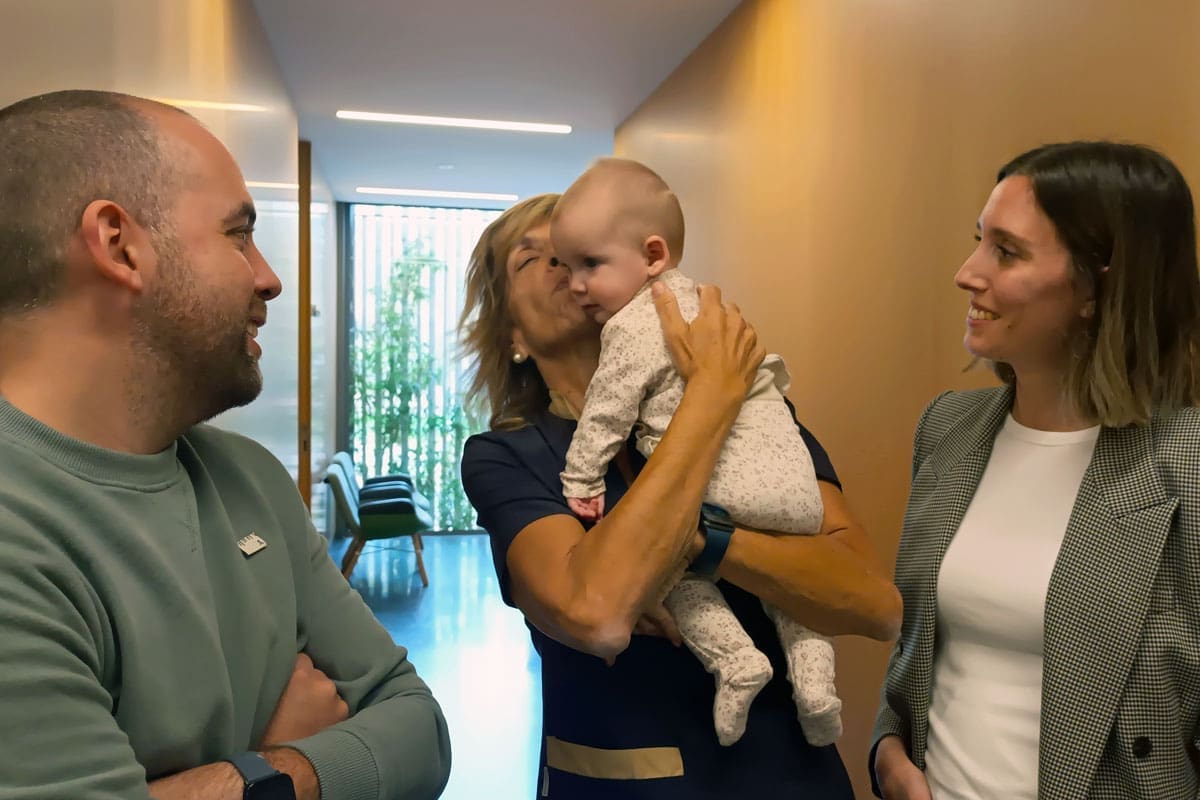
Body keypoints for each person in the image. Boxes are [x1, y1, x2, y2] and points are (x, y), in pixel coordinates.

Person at [0, 90, 451, 800]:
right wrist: (278, 764)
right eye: (239, 234)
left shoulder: (250, 480)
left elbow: (422, 734)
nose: (268, 277)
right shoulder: (16, 534)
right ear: (119, 244)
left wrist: (249, 777)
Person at [459, 192, 901, 799]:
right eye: (536, 259)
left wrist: (694, 542)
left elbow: (873, 603)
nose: (568, 269)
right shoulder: (508, 457)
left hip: (789, 776)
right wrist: (708, 397)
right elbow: (597, 613)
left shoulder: (755, 414)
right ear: (510, 331)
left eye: (583, 256)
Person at [871, 141, 1200, 800]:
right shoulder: (947, 430)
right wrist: (887, 753)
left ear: (1097, 284)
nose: (968, 273)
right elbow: (919, 649)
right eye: (977, 242)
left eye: (1007, 251)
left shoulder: (1185, 463)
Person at [551, 157, 838, 748]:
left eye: (590, 265)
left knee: (667, 571)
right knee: (789, 591)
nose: (576, 285)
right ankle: (816, 689)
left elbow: (608, 409)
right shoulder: (711, 307)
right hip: (796, 488)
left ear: (653, 256)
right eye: (565, 267)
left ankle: (735, 660)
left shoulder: (634, 323)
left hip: (722, 486)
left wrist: (582, 479)